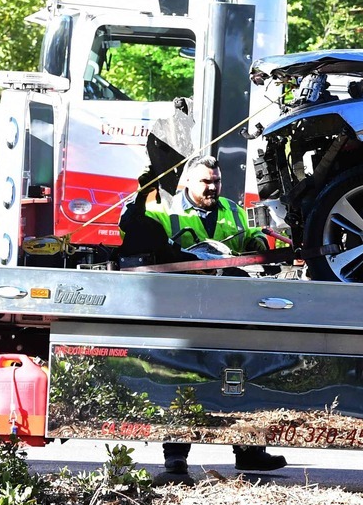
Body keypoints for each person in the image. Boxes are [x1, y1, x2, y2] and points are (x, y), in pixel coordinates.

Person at [118, 156, 287, 480]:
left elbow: (250, 239)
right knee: (184, 380)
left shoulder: (233, 210)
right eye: (206, 181)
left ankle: (250, 452)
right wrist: (142, 190)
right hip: (185, 310)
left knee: (243, 377)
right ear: (187, 183)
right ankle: (175, 458)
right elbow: (132, 227)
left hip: (230, 309)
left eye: (216, 181)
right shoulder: (165, 210)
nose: (212, 187)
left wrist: (256, 243)